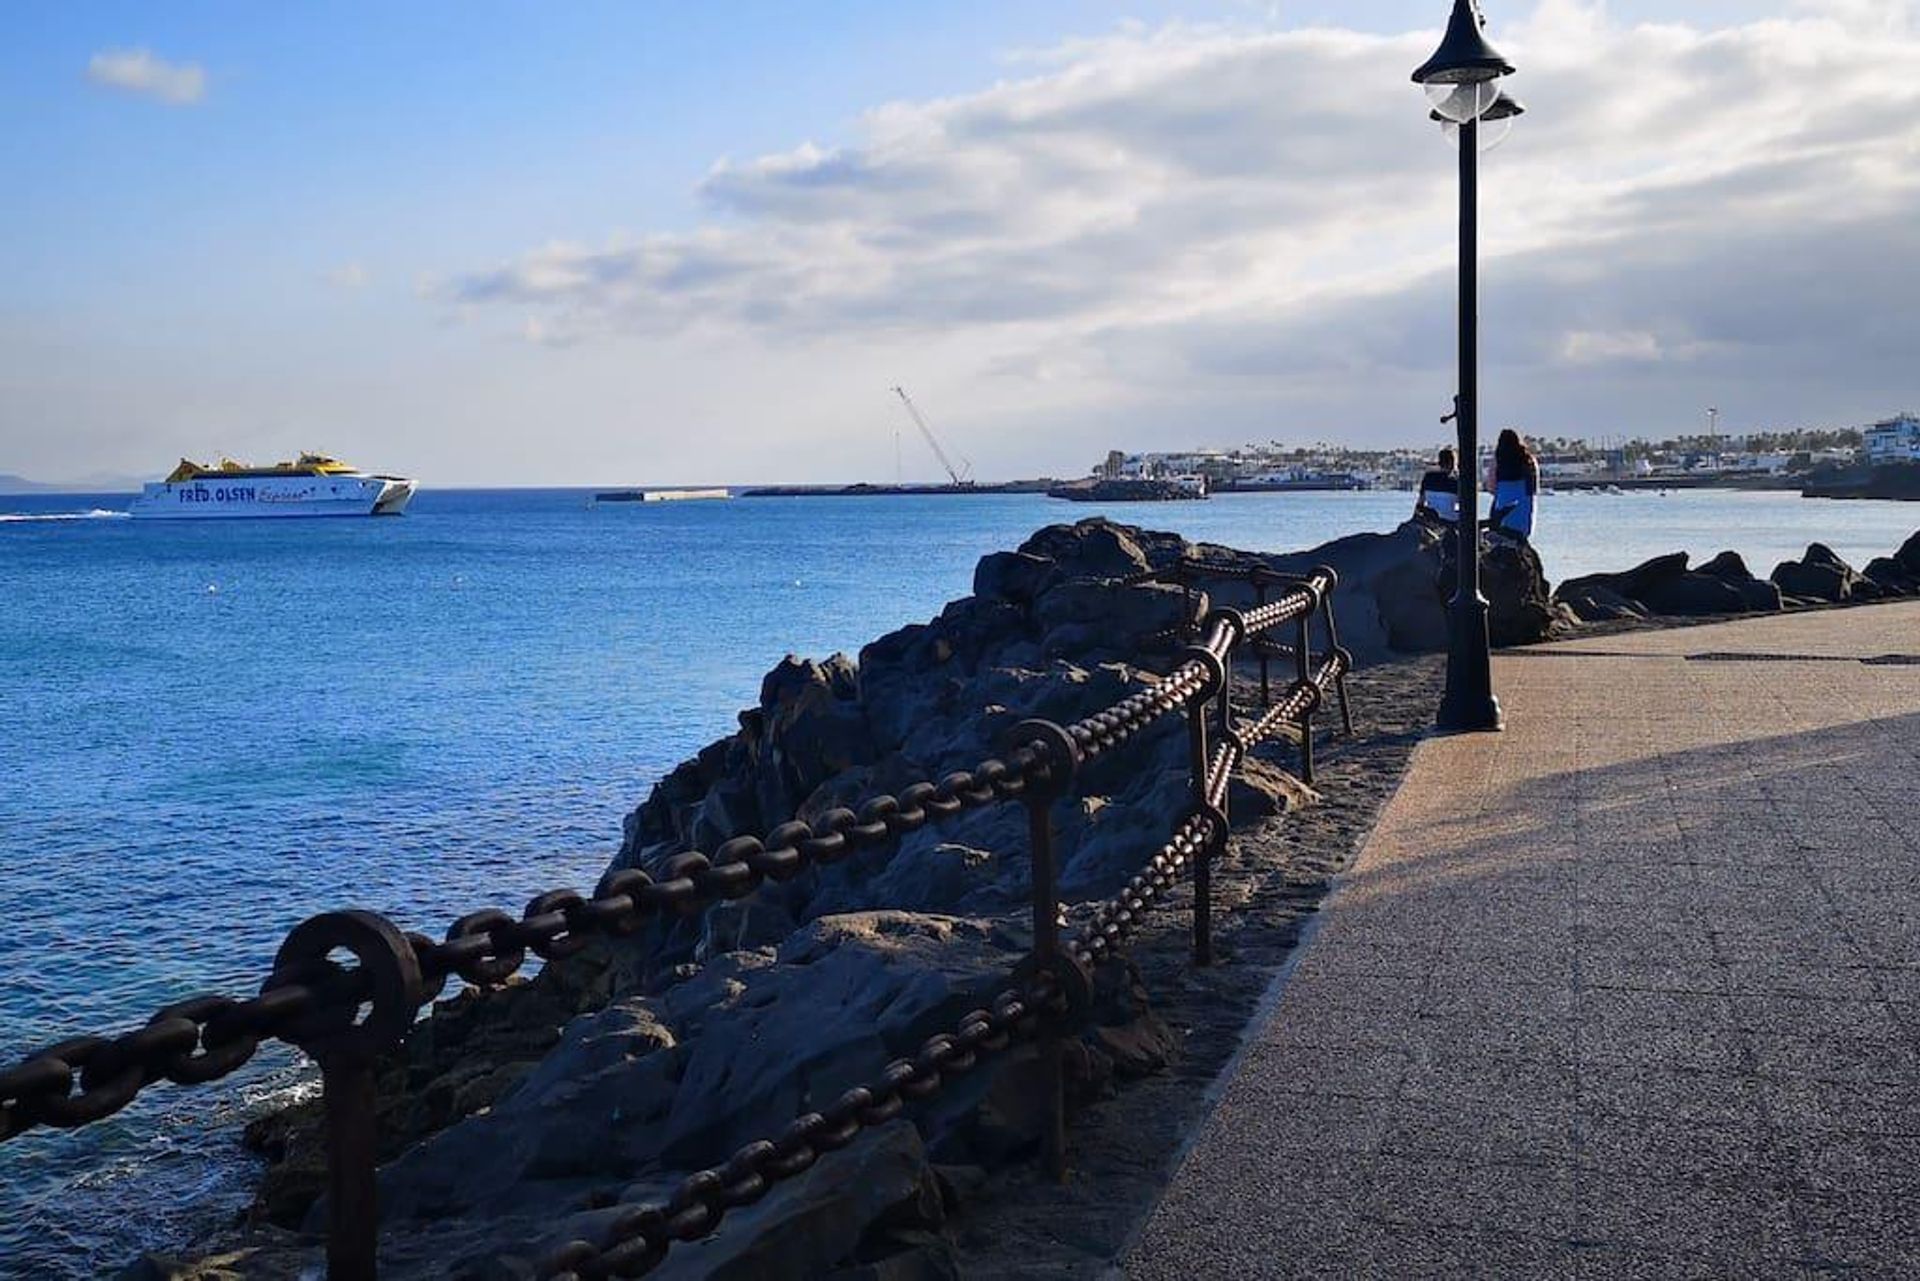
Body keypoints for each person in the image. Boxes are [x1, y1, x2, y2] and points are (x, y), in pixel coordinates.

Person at [1488, 428, 1540, 539]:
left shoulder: (1498, 459)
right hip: (1524, 521)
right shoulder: (1529, 460)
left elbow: (1491, 488)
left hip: (1503, 519)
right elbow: (1534, 488)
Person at [1414, 447, 1459, 523]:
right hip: (1449, 520)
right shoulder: (1456, 482)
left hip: (1430, 520)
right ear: (1453, 464)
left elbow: (1420, 503)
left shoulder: (1428, 477)